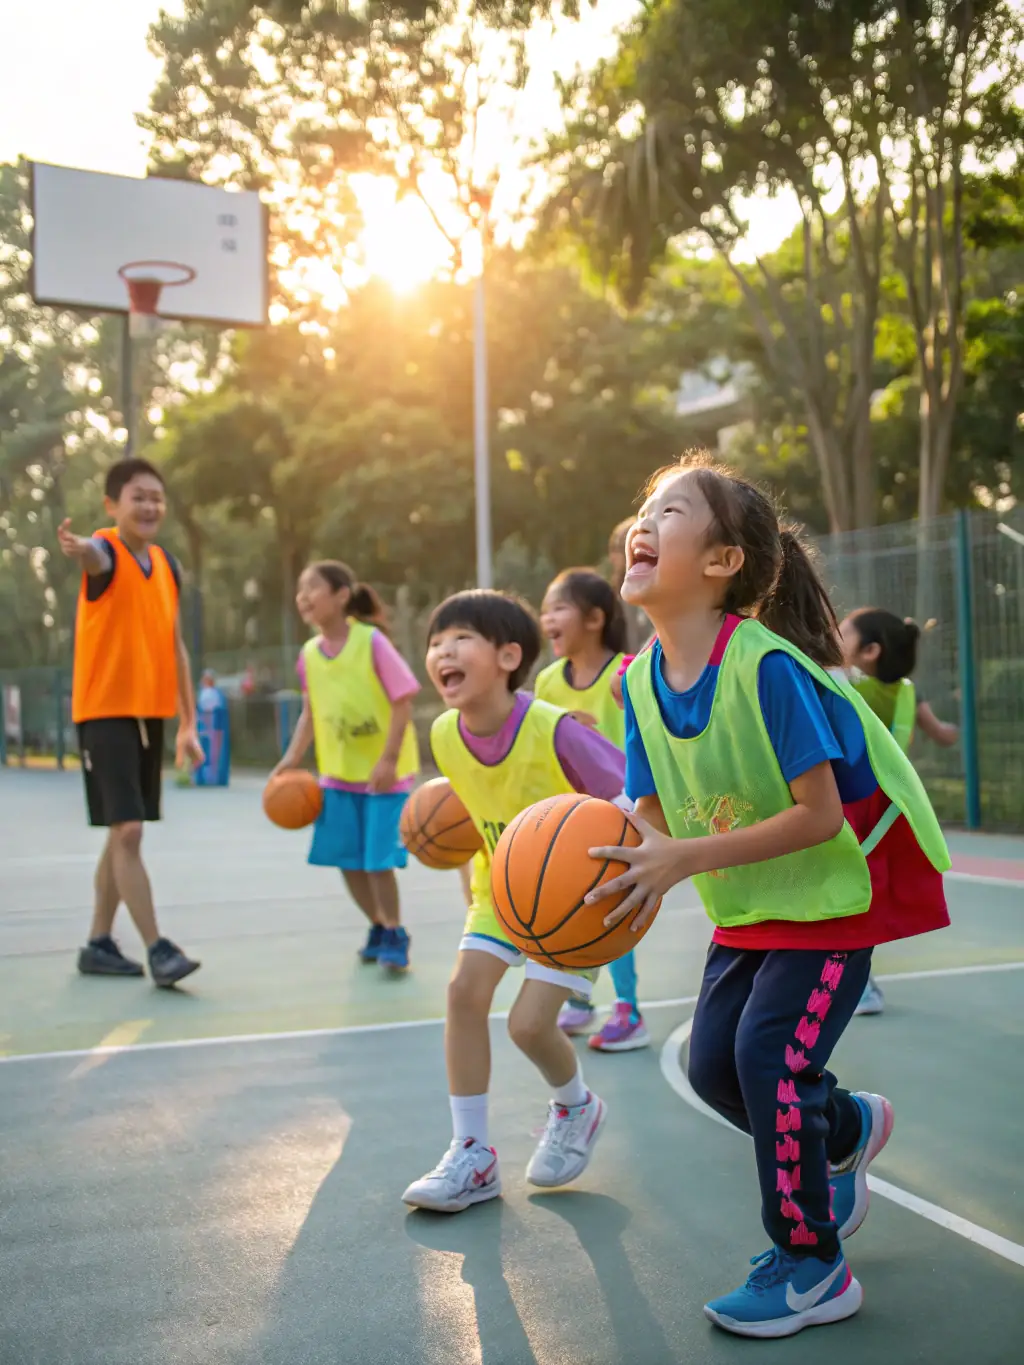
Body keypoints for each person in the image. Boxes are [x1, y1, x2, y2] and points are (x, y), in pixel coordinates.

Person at [586, 452, 950, 1338]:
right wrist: (628, 862)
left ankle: (812, 1263)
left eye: (670, 510)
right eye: (644, 508)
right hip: (750, 907)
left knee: (769, 1058)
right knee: (715, 1066)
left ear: (721, 563)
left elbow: (819, 815)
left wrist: (681, 857)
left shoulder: (768, 668)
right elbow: (646, 802)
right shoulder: (636, 680)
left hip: (831, 899)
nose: (645, 521)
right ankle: (845, 1125)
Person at [401, 590, 625, 1213]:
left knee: (529, 1025)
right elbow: (477, 815)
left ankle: (576, 1106)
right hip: (498, 890)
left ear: (507, 656)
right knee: (462, 994)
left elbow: (630, 794)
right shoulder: (445, 735)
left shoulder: (555, 730)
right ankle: (472, 1153)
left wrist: (627, 880)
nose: (443, 649)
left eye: (461, 637)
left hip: (572, 898)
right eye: (435, 641)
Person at [57, 458, 203, 987]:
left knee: (122, 834)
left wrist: (188, 722)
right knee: (129, 830)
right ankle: (158, 949)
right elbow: (95, 558)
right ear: (112, 506)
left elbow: (177, 647)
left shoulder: (166, 565)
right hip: (104, 712)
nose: (149, 506)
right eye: (138, 497)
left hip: (149, 712)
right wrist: (82, 550)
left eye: (156, 498)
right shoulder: (105, 553)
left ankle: (98, 942)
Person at [272, 561, 419, 973]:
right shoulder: (308, 656)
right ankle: (377, 924)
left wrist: (389, 758)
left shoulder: (370, 642)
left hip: (382, 776)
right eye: (300, 590)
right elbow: (310, 711)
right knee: (348, 861)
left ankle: (395, 931)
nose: (303, 597)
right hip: (337, 775)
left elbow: (402, 700)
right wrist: (290, 759)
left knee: (377, 861)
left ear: (341, 595)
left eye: (312, 588)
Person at [536, 568, 648, 1052]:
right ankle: (581, 1000)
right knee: (567, 905)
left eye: (557, 608)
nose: (547, 618)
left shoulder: (627, 673)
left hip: (619, 811)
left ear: (595, 618)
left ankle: (628, 1008)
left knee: (612, 908)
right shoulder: (546, 681)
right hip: (567, 816)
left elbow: (644, 744)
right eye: (544, 610)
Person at [840, 607, 959, 1016]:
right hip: (888, 812)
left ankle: (857, 984)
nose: (833, 633)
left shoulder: (844, 687)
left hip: (852, 810)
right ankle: (860, 982)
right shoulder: (907, 692)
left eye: (843, 631)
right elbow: (924, 739)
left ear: (870, 651)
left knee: (845, 899)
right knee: (864, 899)